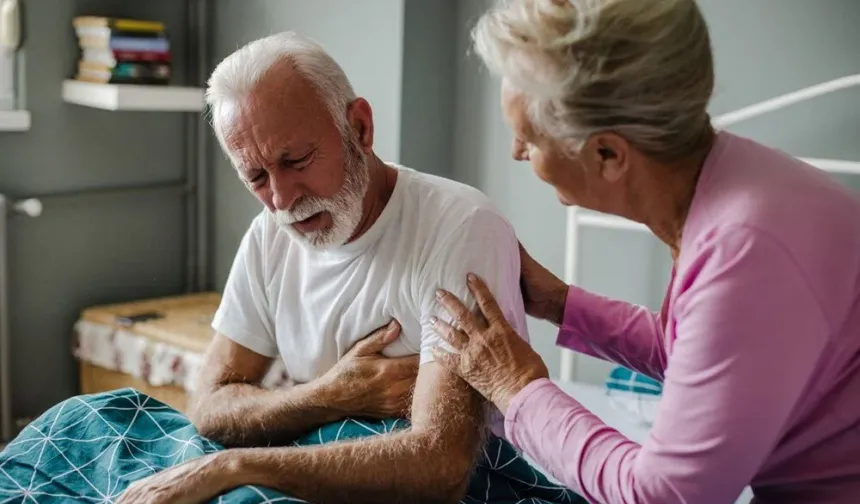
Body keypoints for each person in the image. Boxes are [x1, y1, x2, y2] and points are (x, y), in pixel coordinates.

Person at [429, 1, 860, 503]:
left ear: (607, 155)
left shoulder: (746, 252)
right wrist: (560, 303)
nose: (516, 154)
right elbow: (696, 356)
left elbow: (661, 496)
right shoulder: (736, 178)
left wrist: (517, 387)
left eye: (528, 137)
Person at [116, 31, 533, 504]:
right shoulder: (270, 234)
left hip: (462, 486)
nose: (281, 198)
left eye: (296, 160)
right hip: (316, 463)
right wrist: (332, 393)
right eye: (255, 176)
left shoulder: (457, 227)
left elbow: (440, 467)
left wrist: (232, 466)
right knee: (93, 418)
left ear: (359, 127)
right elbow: (210, 406)